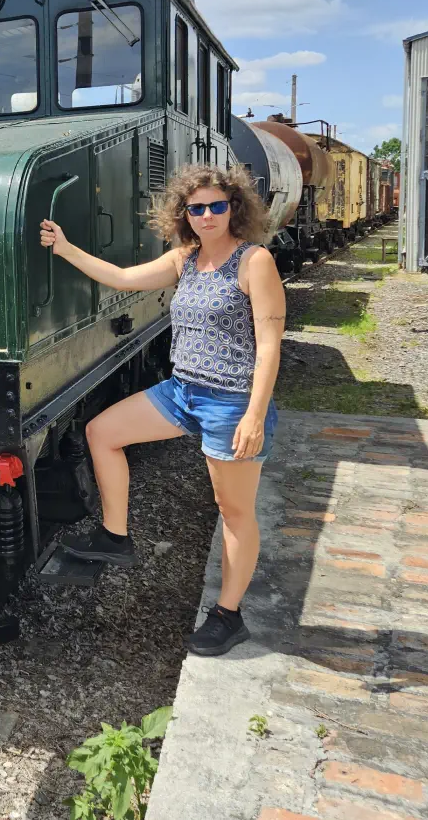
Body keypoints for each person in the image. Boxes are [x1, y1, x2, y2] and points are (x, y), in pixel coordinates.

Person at [39, 163, 285, 656]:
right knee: (102, 432)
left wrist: (254, 415)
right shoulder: (184, 259)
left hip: (231, 402)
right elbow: (122, 278)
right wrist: (64, 248)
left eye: (217, 206)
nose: (207, 215)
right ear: (184, 214)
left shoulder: (254, 261)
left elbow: (269, 343)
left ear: (235, 208)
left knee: (233, 513)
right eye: (197, 208)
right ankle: (115, 535)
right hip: (182, 391)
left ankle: (228, 615)